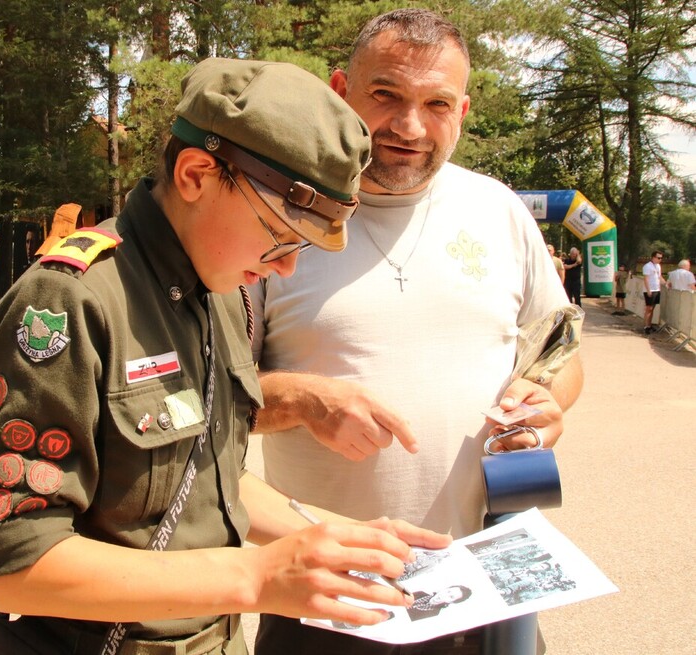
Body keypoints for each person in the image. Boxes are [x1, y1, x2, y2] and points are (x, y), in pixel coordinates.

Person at [0, 57, 451, 655]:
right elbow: (14, 567)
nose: (288, 265)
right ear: (196, 174)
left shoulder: (216, 289)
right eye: (281, 233)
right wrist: (257, 577)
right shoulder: (69, 301)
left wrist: (339, 537)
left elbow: (211, 474)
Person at [250, 9, 583, 654]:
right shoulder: (274, 214)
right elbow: (203, 398)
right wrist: (300, 400)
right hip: (328, 599)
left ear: (462, 109)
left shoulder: (500, 210)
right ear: (340, 89)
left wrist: (548, 401)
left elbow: (560, 352)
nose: (409, 127)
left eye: (435, 104)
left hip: (490, 591)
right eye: (386, 96)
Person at [405, 586, 473, 622]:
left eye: (451, 597)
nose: (444, 595)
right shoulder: (420, 593)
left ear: (451, 602)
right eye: (448, 591)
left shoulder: (433, 615)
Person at [642, 250, 664, 334]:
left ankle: (649, 325)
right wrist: (648, 290)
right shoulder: (647, 266)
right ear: (653, 257)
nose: (660, 259)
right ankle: (645, 326)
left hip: (656, 289)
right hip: (650, 289)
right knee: (649, 308)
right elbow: (646, 279)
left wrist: (665, 283)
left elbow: (659, 277)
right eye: (658, 258)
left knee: (653, 308)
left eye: (661, 258)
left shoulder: (658, 266)